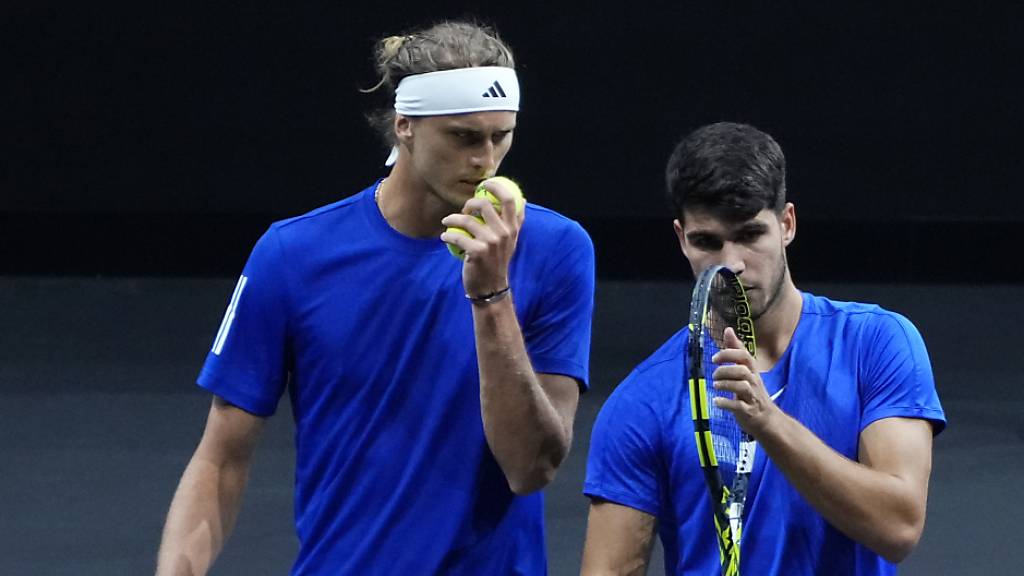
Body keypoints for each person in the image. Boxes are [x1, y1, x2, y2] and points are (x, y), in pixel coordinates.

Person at [156, 21, 594, 575]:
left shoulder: (557, 250)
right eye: (463, 137)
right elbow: (221, 459)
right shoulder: (293, 254)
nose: (487, 160)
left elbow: (531, 468)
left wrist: (491, 296)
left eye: (500, 135)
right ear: (404, 125)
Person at [580, 122, 945, 575]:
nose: (731, 264)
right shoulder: (641, 402)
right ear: (681, 239)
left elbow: (899, 527)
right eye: (707, 242)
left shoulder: (878, 343)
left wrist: (767, 422)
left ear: (786, 224)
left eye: (751, 235)